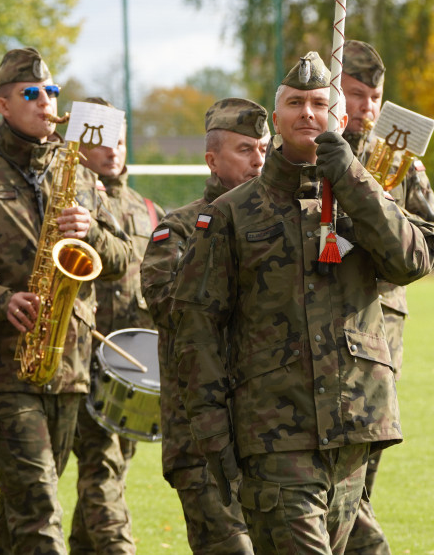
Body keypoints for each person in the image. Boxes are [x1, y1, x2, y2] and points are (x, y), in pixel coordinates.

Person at [171, 52, 434, 552]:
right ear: (275, 120)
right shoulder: (232, 214)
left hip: (353, 430)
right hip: (274, 433)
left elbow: (413, 260)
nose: (307, 113)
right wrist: (212, 435)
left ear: (338, 120)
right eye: (295, 103)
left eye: (320, 103)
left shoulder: (364, 199)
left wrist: (353, 180)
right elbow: (198, 329)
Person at [0, 47, 132, 554]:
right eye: (32, 93)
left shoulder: (81, 173)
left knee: (16, 514)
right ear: (2, 105)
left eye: (52, 92)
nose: (46, 101)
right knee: (40, 511)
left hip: (68, 364)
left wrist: (91, 235)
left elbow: (124, 256)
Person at [140, 96, 270, 554]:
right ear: (212, 159)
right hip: (201, 439)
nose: (258, 160)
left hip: (273, 432)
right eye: (245, 150)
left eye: (263, 149)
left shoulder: (283, 226)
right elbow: (169, 307)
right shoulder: (175, 230)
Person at [340, 40, 434, 555]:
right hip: (307, 330)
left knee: (361, 478)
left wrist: (388, 221)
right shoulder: (300, 148)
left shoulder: (401, 160)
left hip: (378, 335)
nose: (365, 107)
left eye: (375, 96)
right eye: (354, 94)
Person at [68, 96, 164, 555]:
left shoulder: (149, 210)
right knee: (102, 470)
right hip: (79, 359)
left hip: (131, 373)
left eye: (121, 142)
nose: (114, 152)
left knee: (106, 472)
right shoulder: (66, 204)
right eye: (104, 142)